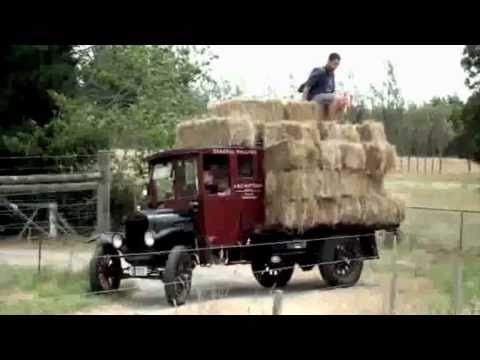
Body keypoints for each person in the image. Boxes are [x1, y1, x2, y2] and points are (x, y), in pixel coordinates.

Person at [298, 52, 349, 120]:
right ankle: (330, 123)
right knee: (336, 97)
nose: (335, 66)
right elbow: (307, 86)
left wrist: (343, 97)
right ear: (328, 61)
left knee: (344, 98)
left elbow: (332, 91)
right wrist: (303, 103)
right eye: (334, 64)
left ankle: (330, 121)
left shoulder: (332, 74)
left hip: (325, 98)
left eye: (337, 65)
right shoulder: (320, 71)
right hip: (314, 98)